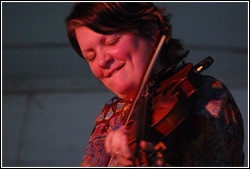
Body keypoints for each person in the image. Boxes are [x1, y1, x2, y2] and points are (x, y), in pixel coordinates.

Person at [65, 2, 244, 167]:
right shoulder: (109, 115)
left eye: (112, 42)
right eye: (91, 56)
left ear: (150, 31)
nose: (102, 61)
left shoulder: (203, 95)